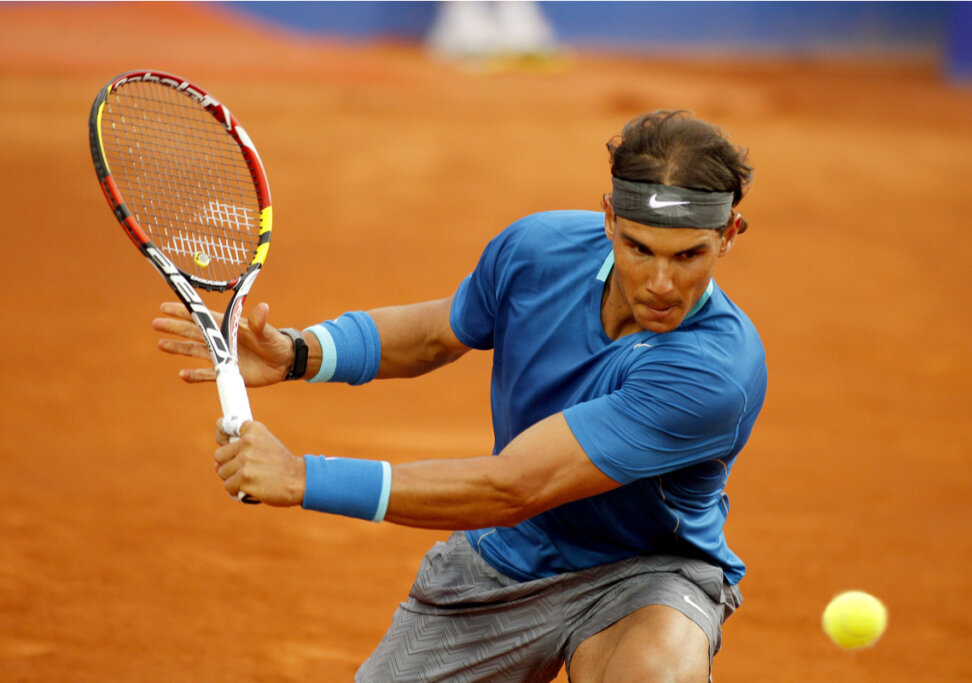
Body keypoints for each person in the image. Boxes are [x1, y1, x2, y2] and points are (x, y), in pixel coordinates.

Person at [154, 109, 766, 682]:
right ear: (609, 217)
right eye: (639, 248)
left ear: (730, 234)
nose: (661, 283)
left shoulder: (714, 373)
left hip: (643, 574)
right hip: (507, 559)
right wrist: (299, 353)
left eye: (689, 255)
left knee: (653, 674)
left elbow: (514, 486)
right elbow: (434, 335)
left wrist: (300, 477)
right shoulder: (537, 252)